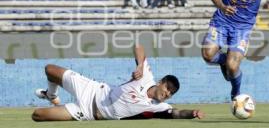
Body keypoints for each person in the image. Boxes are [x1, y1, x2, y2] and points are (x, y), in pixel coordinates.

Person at [31, 45, 205, 121]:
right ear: (161, 82)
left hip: (86, 112)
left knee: (37, 116)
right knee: (49, 69)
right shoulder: (145, 76)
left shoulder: (158, 107)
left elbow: (176, 113)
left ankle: (52, 98)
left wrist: (193, 112)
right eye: (168, 88)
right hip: (92, 89)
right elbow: (138, 46)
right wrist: (140, 66)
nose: (167, 93)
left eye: (171, 93)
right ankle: (51, 95)